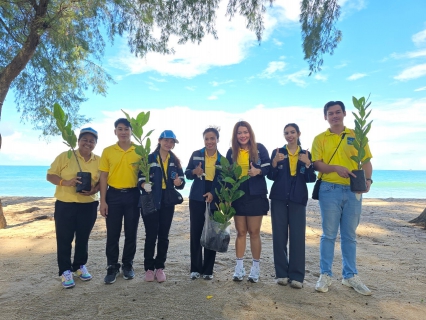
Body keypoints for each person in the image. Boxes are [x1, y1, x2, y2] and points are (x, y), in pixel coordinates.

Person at [311, 101, 373, 296]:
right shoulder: (320, 138)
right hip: (329, 189)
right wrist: (335, 168)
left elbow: (367, 160)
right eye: (330, 113)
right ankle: (325, 275)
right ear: (325, 117)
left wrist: (368, 180)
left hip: (353, 190)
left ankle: (350, 276)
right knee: (328, 234)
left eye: (338, 112)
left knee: (349, 235)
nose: (334, 116)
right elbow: (317, 165)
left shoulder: (357, 136)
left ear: (345, 113)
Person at [46, 127, 100, 288]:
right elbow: (50, 175)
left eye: (92, 141)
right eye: (85, 139)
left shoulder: (99, 160)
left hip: (88, 204)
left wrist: (94, 189)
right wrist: (66, 182)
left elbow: (102, 182)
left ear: (95, 144)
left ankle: (79, 266)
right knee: (64, 238)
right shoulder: (66, 156)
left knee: (83, 238)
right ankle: (65, 271)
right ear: (78, 141)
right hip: (65, 204)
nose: (88, 143)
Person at [267, 123, 316, 289]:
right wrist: (273, 163)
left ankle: (297, 276)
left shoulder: (306, 153)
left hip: (298, 198)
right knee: (279, 237)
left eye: (292, 132)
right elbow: (271, 176)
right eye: (286, 133)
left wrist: (308, 164)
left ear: (298, 133)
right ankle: (281, 274)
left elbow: (311, 179)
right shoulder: (278, 152)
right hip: (279, 198)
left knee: (297, 237)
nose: (289, 135)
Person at [226, 121, 270, 283]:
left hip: (255, 195)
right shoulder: (231, 152)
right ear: (235, 135)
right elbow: (227, 175)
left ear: (250, 133)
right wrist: (228, 198)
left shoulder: (260, 148)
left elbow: (268, 167)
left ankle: (255, 268)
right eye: (239, 133)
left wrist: (258, 171)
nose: (242, 135)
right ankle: (239, 267)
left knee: (254, 232)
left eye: (245, 132)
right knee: (240, 232)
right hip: (237, 195)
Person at [139, 130, 185, 283]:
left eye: (172, 142)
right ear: (159, 140)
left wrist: (179, 182)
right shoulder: (149, 158)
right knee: (151, 235)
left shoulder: (175, 160)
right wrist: (143, 184)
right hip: (151, 200)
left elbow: (182, 180)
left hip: (167, 202)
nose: (169, 144)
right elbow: (139, 176)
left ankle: (160, 267)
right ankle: (149, 268)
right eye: (166, 140)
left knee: (164, 235)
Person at [99, 118, 141, 284]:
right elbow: (103, 176)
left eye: (126, 129)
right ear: (115, 131)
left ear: (131, 131)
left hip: (133, 195)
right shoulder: (108, 151)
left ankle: (127, 265)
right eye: (120, 129)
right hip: (113, 195)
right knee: (112, 234)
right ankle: (112, 266)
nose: (123, 132)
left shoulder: (140, 150)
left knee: (131, 233)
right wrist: (102, 201)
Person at [185, 127, 223, 280]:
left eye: (212, 138)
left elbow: (222, 180)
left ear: (217, 139)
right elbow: (187, 173)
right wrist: (195, 172)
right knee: (196, 232)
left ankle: (208, 270)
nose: (209, 142)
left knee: (211, 234)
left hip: (214, 197)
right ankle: (195, 268)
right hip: (196, 197)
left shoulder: (222, 159)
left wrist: (213, 193)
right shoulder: (196, 154)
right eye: (207, 139)